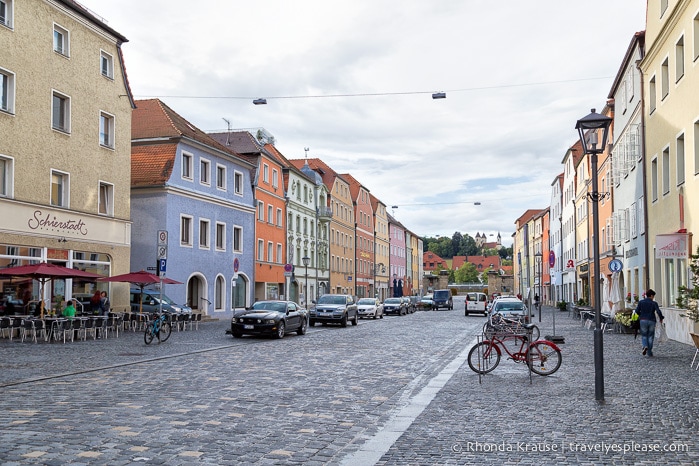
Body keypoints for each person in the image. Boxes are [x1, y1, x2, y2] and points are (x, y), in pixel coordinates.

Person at [635, 289, 664, 357]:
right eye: (653, 296)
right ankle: (649, 352)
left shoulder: (641, 302)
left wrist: (641, 315)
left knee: (644, 335)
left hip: (643, 320)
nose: (653, 298)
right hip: (651, 320)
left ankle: (645, 346)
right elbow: (658, 311)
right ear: (651, 295)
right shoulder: (654, 303)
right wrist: (661, 318)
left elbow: (636, 311)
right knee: (650, 336)